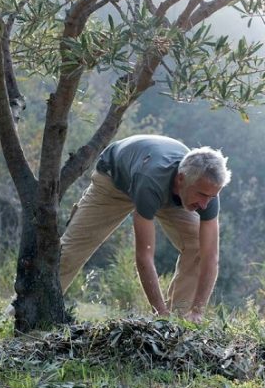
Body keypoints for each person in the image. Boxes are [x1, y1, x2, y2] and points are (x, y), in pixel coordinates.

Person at [59, 134, 231, 322]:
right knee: (70, 250)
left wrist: (198, 310)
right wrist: (159, 312)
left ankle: (179, 322)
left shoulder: (207, 190)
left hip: (173, 193)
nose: (206, 204)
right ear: (181, 179)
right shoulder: (152, 180)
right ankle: (37, 310)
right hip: (116, 180)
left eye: (212, 197)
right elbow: (144, 256)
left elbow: (210, 256)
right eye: (202, 195)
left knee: (198, 247)